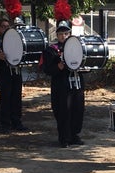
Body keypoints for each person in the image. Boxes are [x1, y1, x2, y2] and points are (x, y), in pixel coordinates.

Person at [42, 13, 86, 148]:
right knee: (63, 111)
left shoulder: (77, 46)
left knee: (78, 110)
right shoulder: (51, 50)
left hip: (77, 84)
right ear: (57, 35)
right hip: (61, 86)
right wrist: (58, 67)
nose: (63, 36)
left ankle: (74, 135)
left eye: (66, 33)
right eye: (61, 34)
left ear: (70, 33)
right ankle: (64, 138)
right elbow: (46, 69)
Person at [0, 18, 28, 134]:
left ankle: (17, 122)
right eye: (3, 26)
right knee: (5, 98)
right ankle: (5, 124)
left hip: (16, 72)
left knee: (16, 98)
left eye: (7, 26)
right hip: (4, 73)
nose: (5, 28)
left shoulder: (14, 39)